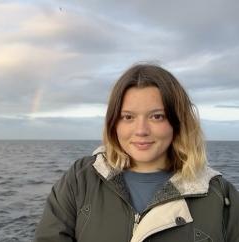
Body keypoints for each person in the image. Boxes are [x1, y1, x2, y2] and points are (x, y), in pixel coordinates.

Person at [33, 63, 239, 242]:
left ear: (178, 122)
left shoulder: (220, 195)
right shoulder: (80, 179)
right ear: (114, 123)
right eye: (128, 117)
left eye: (157, 116)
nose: (141, 130)